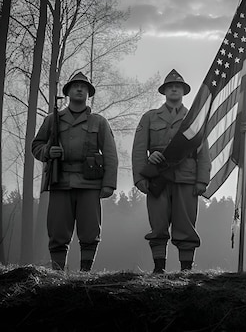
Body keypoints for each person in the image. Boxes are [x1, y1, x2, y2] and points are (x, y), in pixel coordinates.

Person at [32, 72, 118, 271]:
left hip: (90, 183)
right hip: (60, 180)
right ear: (68, 91)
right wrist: (47, 151)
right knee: (58, 230)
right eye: (75, 86)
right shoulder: (53, 119)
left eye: (84, 87)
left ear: (89, 93)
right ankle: (58, 273)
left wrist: (108, 184)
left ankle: (85, 274)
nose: (79, 89)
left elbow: (110, 154)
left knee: (89, 230)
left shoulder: (99, 122)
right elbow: (36, 145)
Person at [132, 69, 210, 274]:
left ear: (184, 91)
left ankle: (186, 271)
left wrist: (202, 180)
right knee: (158, 225)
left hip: (186, 179)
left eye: (178, 86)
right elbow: (139, 150)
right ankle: (159, 268)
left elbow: (203, 152)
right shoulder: (149, 117)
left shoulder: (194, 119)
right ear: (164, 91)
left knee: (186, 225)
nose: (174, 89)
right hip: (158, 178)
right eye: (170, 86)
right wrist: (141, 177)